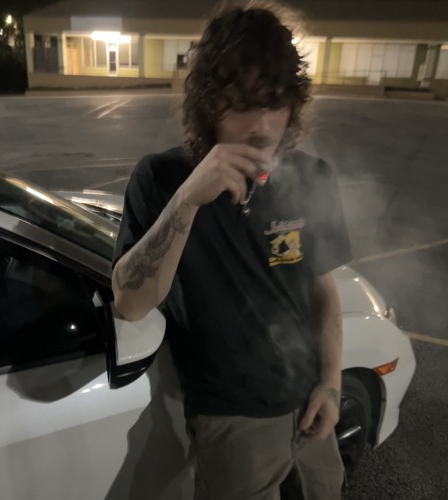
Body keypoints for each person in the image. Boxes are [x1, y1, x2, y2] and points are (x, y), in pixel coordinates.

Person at [112, 1, 352, 498]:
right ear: (209, 106)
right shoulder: (162, 179)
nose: (262, 124)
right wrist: (188, 200)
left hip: (310, 405)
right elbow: (130, 302)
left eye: (275, 102)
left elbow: (323, 291)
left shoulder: (313, 178)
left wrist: (331, 383)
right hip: (232, 422)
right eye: (242, 104)